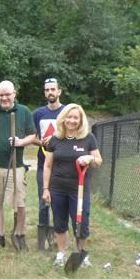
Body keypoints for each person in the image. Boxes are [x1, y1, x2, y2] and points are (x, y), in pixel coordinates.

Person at [0, 81, 36, 250]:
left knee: (20, 203)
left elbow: (32, 136)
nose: (4, 98)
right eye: (1, 95)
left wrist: (20, 142)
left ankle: (19, 234)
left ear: (14, 94)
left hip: (15, 166)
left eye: (7, 94)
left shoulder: (23, 111)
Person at [41, 104, 102, 267]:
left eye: (76, 117)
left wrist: (90, 159)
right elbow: (47, 166)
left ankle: (82, 254)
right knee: (60, 221)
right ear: (63, 118)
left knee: (81, 221)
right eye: (69, 117)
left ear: (81, 120)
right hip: (58, 188)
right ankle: (61, 253)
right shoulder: (55, 139)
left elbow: (99, 161)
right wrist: (46, 189)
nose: (72, 120)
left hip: (79, 190)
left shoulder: (88, 138)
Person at [31, 78, 66, 250]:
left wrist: (56, 141)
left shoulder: (67, 112)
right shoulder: (38, 114)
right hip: (43, 165)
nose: (50, 92)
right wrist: (42, 142)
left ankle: (56, 235)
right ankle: (43, 238)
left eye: (53, 89)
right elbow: (33, 137)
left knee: (58, 202)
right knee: (43, 201)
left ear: (59, 91)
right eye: (47, 90)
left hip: (62, 167)